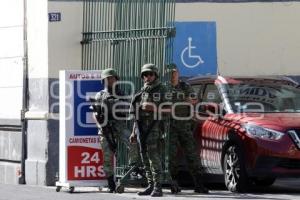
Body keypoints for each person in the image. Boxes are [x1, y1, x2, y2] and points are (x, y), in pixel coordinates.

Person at [92, 68, 137, 193]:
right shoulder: (99, 95)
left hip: (120, 126)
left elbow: (130, 111)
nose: (109, 80)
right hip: (105, 128)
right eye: (107, 78)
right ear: (103, 81)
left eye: (112, 78)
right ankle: (111, 182)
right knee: (107, 157)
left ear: (116, 79)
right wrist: (100, 126)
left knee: (133, 143)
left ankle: (132, 168)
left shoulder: (123, 94)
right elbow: (95, 114)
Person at [130, 63, 168, 197]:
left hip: (154, 128)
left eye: (150, 74)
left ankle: (158, 187)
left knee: (154, 157)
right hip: (141, 128)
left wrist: (153, 108)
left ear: (155, 75)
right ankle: (151, 184)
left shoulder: (162, 89)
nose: (148, 77)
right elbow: (136, 114)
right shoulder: (141, 91)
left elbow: (170, 109)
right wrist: (134, 131)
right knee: (144, 157)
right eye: (145, 74)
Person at [168, 68, 209, 194]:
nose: (173, 75)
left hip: (185, 125)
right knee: (171, 156)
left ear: (178, 74)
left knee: (192, 155)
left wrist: (185, 101)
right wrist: (184, 100)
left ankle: (199, 184)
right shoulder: (165, 88)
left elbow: (194, 100)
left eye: (175, 73)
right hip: (170, 126)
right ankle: (174, 183)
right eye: (171, 73)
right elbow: (165, 103)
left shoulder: (185, 86)